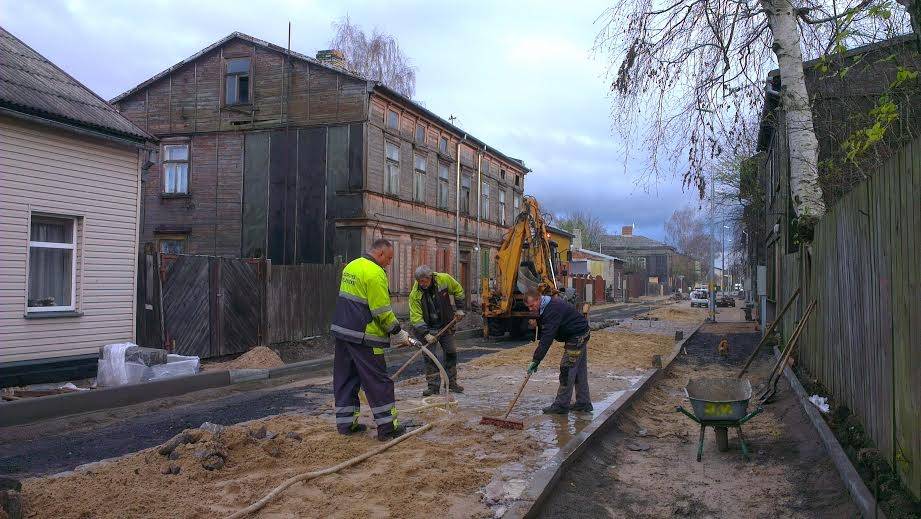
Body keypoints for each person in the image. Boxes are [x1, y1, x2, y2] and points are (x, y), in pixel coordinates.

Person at [330, 238, 414, 441]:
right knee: (378, 382)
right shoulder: (376, 274)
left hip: (343, 333)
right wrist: (398, 332)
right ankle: (388, 429)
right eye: (389, 258)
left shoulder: (352, 266)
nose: (389, 263)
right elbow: (381, 311)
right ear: (380, 253)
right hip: (365, 337)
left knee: (346, 379)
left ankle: (346, 426)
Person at [524, 287, 593, 414]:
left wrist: (536, 359)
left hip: (577, 336)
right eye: (528, 307)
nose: (531, 309)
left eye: (532, 305)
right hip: (580, 333)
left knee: (567, 368)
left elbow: (547, 338)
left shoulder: (552, 308)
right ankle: (583, 403)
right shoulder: (546, 305)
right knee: (578, 370)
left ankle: (561, 405)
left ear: (538, 299)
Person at [408, 265, 466, 396]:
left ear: (430, 277)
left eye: (424, 281)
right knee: (430, 358)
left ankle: (451, 383)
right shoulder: (415, 294)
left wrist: (460, 308)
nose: (422, 284)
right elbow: (415, 317)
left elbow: (458, 289)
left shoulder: (444, 279)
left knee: (451, 352)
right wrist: (425, 334)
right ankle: (433, 387)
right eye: (419, 281)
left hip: (446, 324)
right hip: (428, 328)